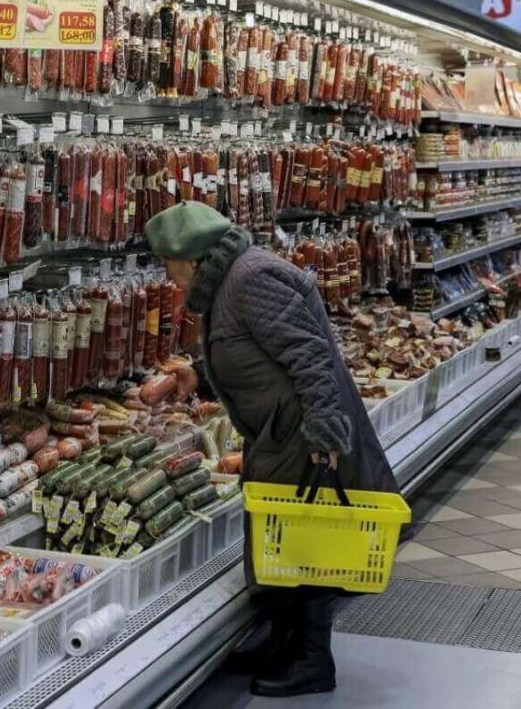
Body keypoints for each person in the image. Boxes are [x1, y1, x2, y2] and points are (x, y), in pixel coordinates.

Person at [144, 201, 399, 698]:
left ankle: (311, 659)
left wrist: (325, 433)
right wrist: (198, 374)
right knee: (283, 541)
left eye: (168, 264)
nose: (167, 275)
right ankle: (284, 643)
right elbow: (250, 348)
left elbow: (310, 355)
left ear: (192, 259)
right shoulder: (231, 281)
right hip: (281, 431)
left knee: (309, 543)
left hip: (302, 433)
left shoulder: (252, 278)